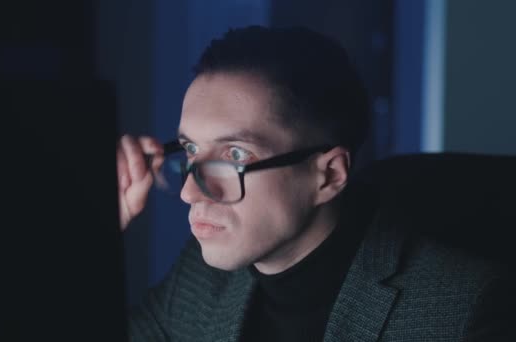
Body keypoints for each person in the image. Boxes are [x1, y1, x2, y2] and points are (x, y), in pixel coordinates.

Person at [117, 26, 511, 341]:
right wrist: (97, 225)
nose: (189, 192)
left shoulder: (465, 311)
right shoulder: (202, 276)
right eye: (189, 150)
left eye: (235, 155)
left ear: (330, 175)